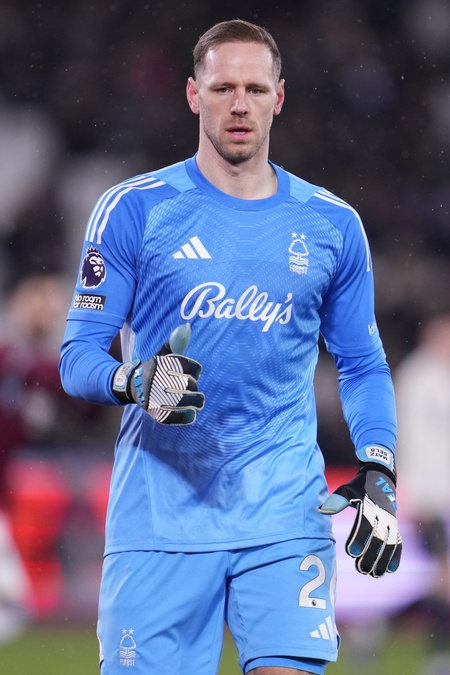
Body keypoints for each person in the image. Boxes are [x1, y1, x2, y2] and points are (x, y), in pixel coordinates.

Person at [59, 19, 402, 675]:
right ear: (194, 95)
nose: (239, 104)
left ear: (280, 97)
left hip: (284, 516)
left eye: (254, 88)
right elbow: (78, 357)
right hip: (159, 520)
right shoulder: (134, 210)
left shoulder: (332, 225)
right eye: (222, 89)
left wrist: (380, 466)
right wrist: (135, 381)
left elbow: (362, 363)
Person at [394, 311, 450, 674]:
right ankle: (435, 649)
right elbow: (407, 438)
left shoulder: (440, 376)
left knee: (442, 577)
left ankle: (384, 627)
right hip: (428, 493)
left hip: (442, 493)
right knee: (444, 575)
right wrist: (407, 486)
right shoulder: (417, 378)